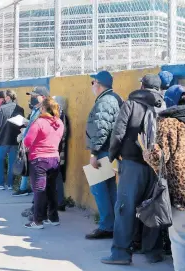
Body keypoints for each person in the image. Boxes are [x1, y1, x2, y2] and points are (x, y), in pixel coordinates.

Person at [102, 74, 166, 265]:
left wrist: (112, 156)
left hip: (132, 164)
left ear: (142, 85)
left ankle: (121, 253)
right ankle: (153, 252)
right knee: (153, 206)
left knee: (124, 208)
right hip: (156, 166)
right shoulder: (163, 106)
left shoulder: (130, 104)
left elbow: (118, 132)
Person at [143, 85, 185, 271]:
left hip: (180, 194)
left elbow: (160, 157)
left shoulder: (169, 123)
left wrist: (147, 153)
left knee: (179, 238)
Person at [85, 70, 122, 239]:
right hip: (110, 150)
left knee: (99, 189)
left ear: (98, 84)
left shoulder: (105, 102)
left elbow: (101, 129)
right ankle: (115, 225)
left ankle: (107, 226)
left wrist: (94, 153)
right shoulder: (112, 98)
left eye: (93, 82)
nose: (92, 86)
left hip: (102, 151)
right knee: (109, 190)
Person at [23, 97, 64, 229]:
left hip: (39, 160)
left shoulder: (39, 122)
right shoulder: (59, 123)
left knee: (39, 190)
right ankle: (53, 217)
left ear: (43, 108)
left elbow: (27, 141)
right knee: (51, 189)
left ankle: (38, 220)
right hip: (54, 159)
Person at [14, 86, 50, 197]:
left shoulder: (45, 111)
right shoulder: (35, 109)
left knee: (38, 176)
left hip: (38, 148)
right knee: (28, 168)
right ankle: (24, 189)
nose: (32, 98)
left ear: (43, 97)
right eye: (31, 96)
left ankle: (36, 201)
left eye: (35, 96)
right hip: (29, 144)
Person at [0, 90, 25, 191]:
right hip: (15, 139)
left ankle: (0, 183)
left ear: (7, 97)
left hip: (2, 139)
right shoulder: (20, 108)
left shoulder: (2, 109)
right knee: (12, 162)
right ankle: (10, 184)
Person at [53, 96, 70, 211]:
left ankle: (59, 202)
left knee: (56, 176)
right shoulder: (60, 116)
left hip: (56, 151)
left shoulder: (60, 117)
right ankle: (59, 201)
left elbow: (61, 135)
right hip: (57, 150)